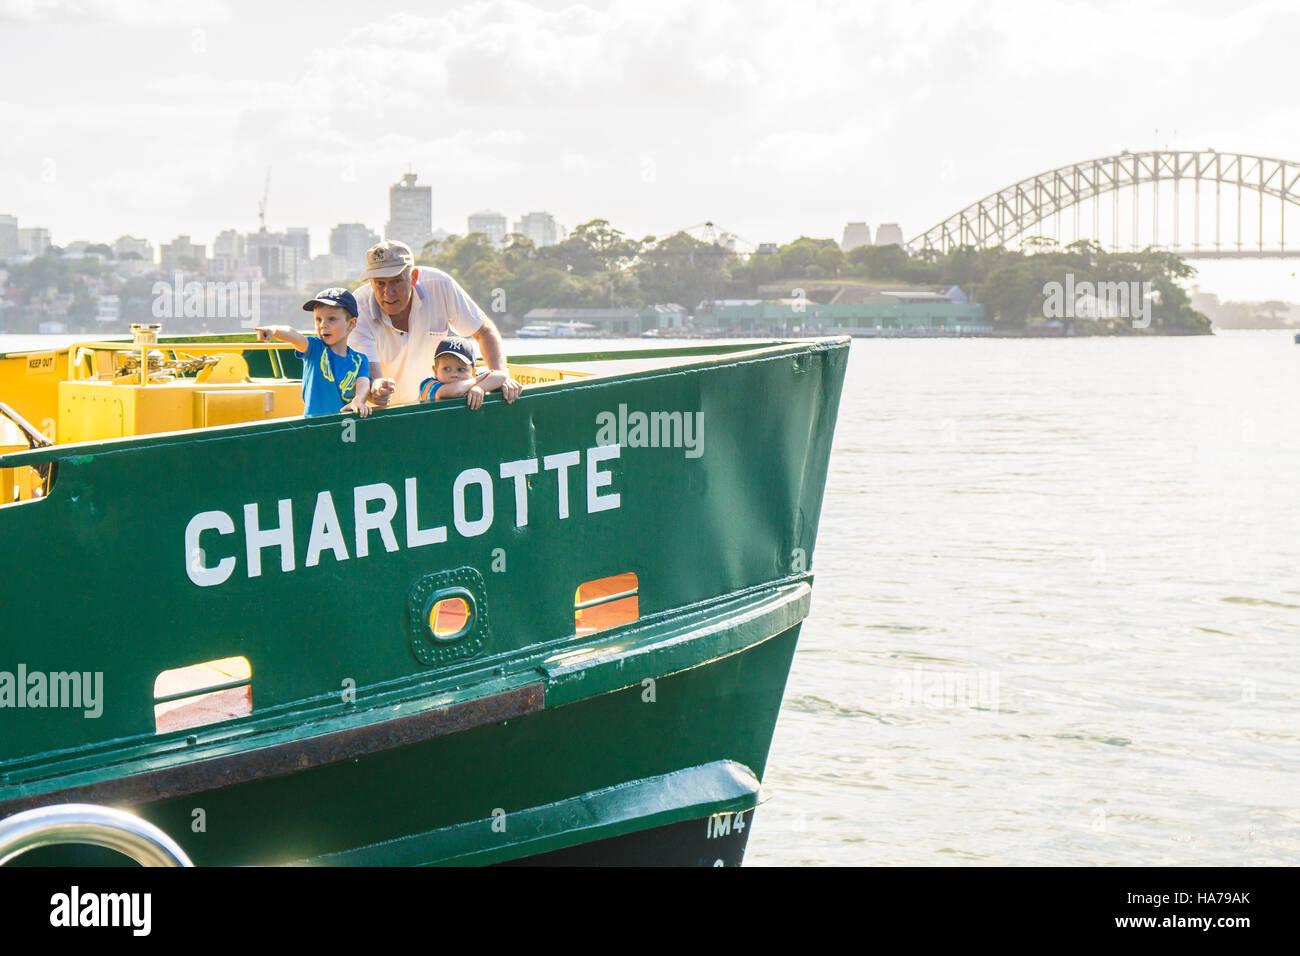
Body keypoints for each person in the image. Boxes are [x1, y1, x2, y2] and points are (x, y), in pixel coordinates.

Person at [351, 240, 523, 408]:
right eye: (380, 283)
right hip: (378, 417)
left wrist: (502, 379)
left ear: (413, 277)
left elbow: (484, 331)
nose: (388, 293)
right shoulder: (357, 311)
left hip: (433, 410)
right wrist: (378, 393)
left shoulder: (441, 285)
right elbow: (371, 383)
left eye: (396, 281)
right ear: (371, 282)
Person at [256, 287, 371, 418]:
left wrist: (358, 400)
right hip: (314, 427)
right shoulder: (314, 348)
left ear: (351, 324)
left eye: (331, 319)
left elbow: (363, 383)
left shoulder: (360, 360)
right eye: (318, 319)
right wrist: (274, 330)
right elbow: (293, 335)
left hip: (346, 428)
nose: (323, 325)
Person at [418, 337, 506, 409]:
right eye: (447, 369)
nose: (454, 374)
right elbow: (454, 391)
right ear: (435, 371)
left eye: (461, 369)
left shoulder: (473, 380)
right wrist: (476, 381)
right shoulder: (428, 385)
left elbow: (501, 376)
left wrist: (480, 388)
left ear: (473, 372)